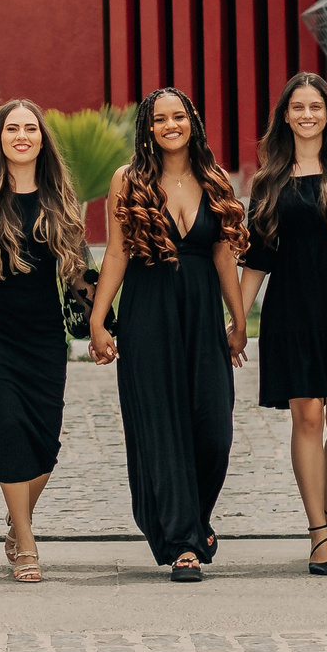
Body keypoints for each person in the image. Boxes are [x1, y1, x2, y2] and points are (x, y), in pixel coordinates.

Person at [87, 88, 249, 583]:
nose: (170, 125)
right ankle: (184, 543)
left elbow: (224, 254)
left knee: (213, 430)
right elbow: (116, 252)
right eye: (160, 119)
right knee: (162, 428)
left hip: (202, 312)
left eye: (179, 116)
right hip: (147, 310)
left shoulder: (214, 178)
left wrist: (239, 319)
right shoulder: (128, 180)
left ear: (192, 122)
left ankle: (196, 521)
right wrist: (99, 317)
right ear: (148, 128)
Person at [0, 99, 92, 584]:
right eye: (12, 128)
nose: (22, 136)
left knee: (46, 442)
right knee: (9, 426)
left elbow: (80, 272)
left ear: (42, 138)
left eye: (31, 128)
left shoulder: (61, 197)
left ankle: (16, 517)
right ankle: (25, 541)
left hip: (45, 334)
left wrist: (100, 326)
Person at [239, 71, 327, 576]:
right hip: (291, 310)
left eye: (315, 107)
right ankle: (318, 534)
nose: (306, 115)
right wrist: (236, 318)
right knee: (307, 418)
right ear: (285, 116)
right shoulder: (268, 180)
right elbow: (257, 256)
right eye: (297, 107)